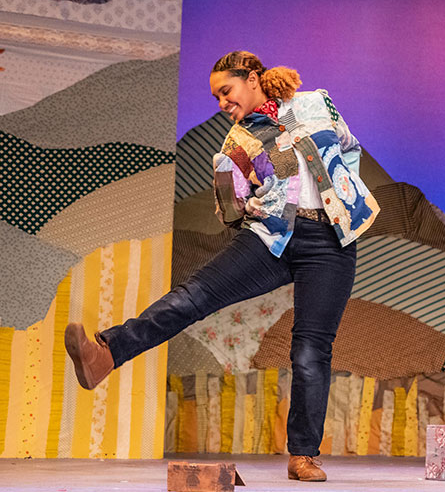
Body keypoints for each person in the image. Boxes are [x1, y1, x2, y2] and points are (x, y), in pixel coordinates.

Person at [63, 50, 379, 482]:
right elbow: (228, 208)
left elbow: (348, 147)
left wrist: (346, 197)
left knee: (311, 349)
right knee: (194, 296)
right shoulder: (237, 142)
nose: (221, 103)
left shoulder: (315, 103)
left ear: (252, 78)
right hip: (272, 237)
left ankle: (303, 455)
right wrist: (245, 202)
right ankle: (107, 353)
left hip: (330, 240)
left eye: (225, 91)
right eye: (215, 98)